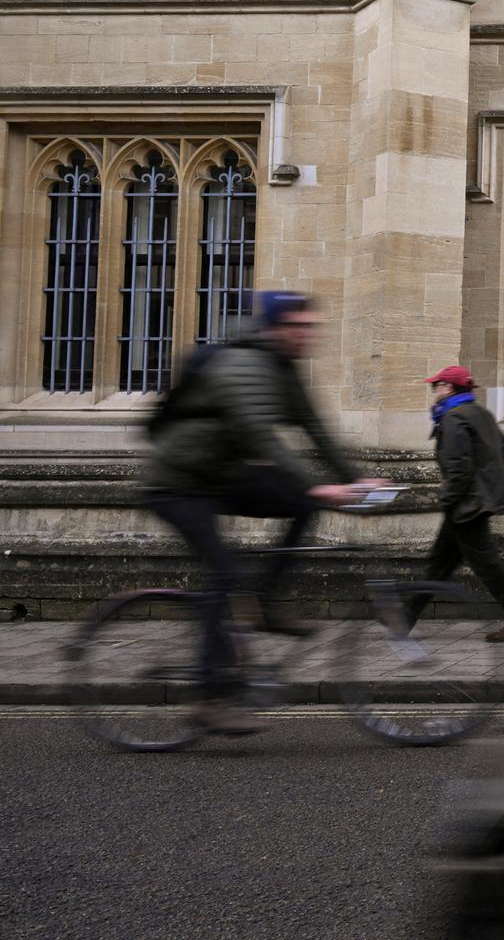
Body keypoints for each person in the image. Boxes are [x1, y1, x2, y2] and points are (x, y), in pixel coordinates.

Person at [143, 291, 366, 734]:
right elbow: (260, 436)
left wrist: (357, 478)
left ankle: (263, 604)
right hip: (178, 484)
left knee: (301, 505)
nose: (308, 335)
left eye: (311, 326)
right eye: (299, 326)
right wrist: (318, 483)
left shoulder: (283, 367)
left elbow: (316, 428)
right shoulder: (241, 366)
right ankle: (208, 697)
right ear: (274, 328)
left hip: (220, 476)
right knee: (225, 576)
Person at [422, 366, 504, 642]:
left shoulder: (453, 417)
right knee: (438, 565)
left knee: (486, 565)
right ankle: (403, 619)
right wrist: (485, 482)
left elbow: (459, 469)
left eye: (437, 385)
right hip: (472, 502)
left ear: (449, 388)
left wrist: (447, 496)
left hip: (466, 506)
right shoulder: (480, 414)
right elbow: (503, 450)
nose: (434, 391)